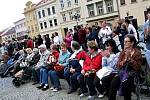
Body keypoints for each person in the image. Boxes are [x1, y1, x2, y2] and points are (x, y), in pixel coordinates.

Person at [108, 34, 143, 100]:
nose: (125, 43)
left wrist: (130, 59)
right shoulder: (123, 52)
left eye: (127, 41)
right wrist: (124, 60)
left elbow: (137, 67)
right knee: (113, 83)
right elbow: (118, 65)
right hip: (122, 72)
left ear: (132, 43)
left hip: (132, 73)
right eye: (124, 41)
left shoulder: (137, 53)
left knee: (125, 84)